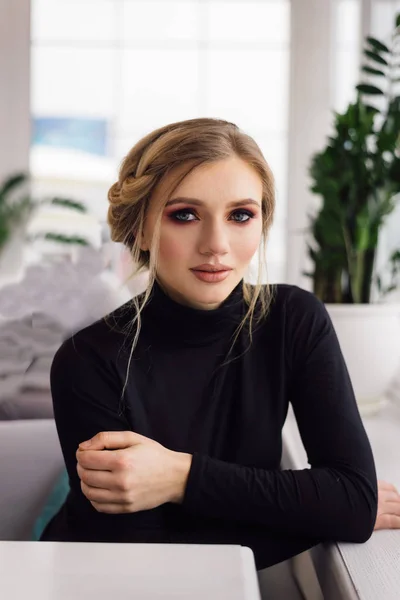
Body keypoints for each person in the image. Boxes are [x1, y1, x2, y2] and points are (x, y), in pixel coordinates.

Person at [40, 118, 400, 573]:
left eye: (240, 215)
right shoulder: (88, 360)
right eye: (185, 215)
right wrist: (324, 513)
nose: (217, 245)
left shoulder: (293, 320)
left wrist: (179, 477)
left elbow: (351, 497)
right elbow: (142, 563)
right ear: (141, 230)